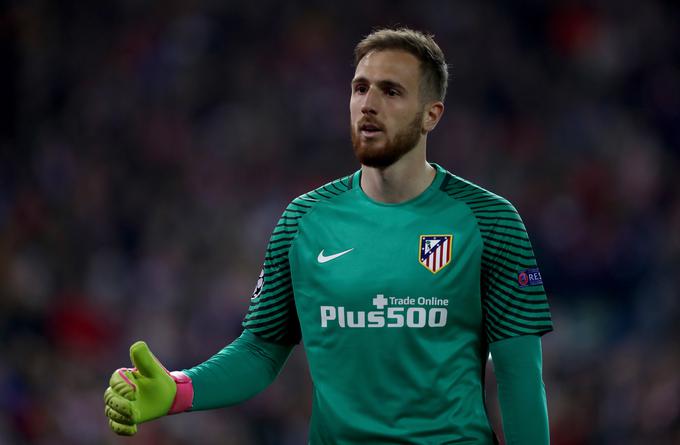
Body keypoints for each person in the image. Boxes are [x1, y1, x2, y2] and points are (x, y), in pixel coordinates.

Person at [104, 27, 553, 444]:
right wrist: (179, 390)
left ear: (431, 115)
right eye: (360, 88)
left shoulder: (490, 222)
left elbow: (519, 379)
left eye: (391, 91)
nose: (368, 103)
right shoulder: (304, 220)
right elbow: (261, 350)